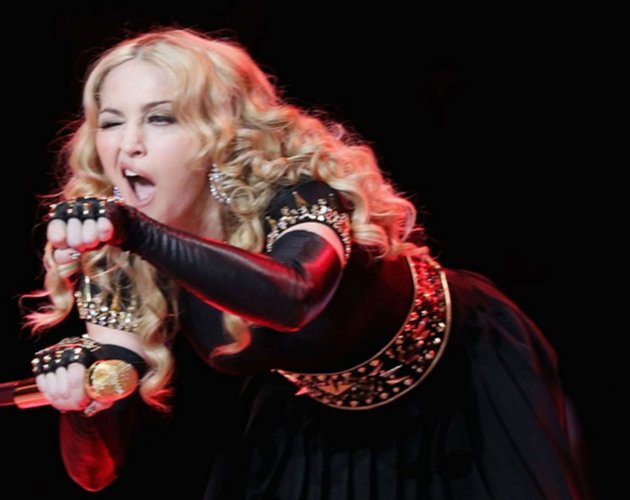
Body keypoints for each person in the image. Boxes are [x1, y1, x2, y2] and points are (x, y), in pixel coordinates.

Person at [25, 27, 588, 499]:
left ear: (219, 133)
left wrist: (137, 230)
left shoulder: (295, 189)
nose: (128, 145)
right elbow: (96, 472)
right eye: (111, 121)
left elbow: (293, 295)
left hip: (459, 385)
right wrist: (81, 402)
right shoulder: (119, 259)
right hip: (323, 415)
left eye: (162, 119)